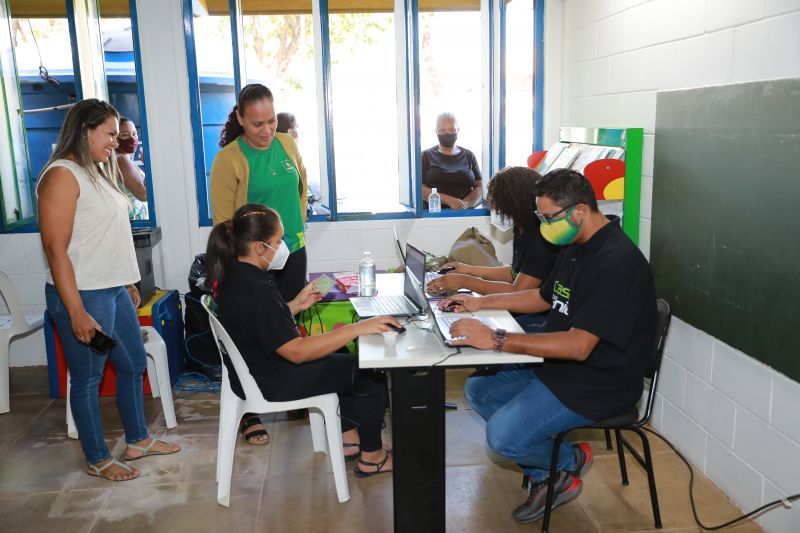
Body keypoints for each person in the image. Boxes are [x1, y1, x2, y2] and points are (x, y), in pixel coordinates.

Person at [438, 168, 657, 523]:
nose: (543, 226)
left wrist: (496, 339)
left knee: (501, 438)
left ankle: (568, 460)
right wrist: (478, 302)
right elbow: (542, 297)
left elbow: (579, 346)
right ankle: (550, 474)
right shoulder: (576, 245)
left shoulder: (617, 265)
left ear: (580, 211)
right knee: (479, 390)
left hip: (599, 384)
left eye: (549, 217)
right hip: (562, 368)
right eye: (540, 216)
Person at [37, 99, 181, 482]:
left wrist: (126, 280)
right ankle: (98, 458)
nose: (116, 142)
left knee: (132, 363)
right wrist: (76, 311)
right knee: (88, 379)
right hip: (83, 295)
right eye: (110, 134)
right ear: (86, 130)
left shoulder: (97, 170)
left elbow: (106, 234)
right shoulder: (62, 175)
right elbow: (55, 249)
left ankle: (138, 440)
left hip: (112, 289)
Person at [207, 204, 396, 477]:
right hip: (275, 380)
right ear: (259, 247)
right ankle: (372, 457)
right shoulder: (255, 289)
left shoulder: (236, 276)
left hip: (258, 371)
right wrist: (357, 328)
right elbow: (296, 352)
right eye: (277, 242)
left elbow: (260, 324)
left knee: (343, 354)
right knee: (369, 370)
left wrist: (296, 304)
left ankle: (349, 439)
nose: (282, 247)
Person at [425, 166, 559, 331]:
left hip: (542, 315)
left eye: (499, 203)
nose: (496, 209)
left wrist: (465, 281)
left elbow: (518, 291)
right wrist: (467, 269)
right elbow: (515, 274)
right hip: (522, 306)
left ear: (516, 203)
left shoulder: (542, 237)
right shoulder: (522, 228)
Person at [210, 83, 309, 304]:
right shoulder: (227, 159)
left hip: (293, 250)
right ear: (240, 118)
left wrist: (299, 220)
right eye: (257, 124)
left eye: (271, 121)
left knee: (292, 316)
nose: (267, 131)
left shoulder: (287, 143)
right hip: (256, 259)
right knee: (264, 321)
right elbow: (223, 223)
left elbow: (302, 184)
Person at [421, 112, 482, 209]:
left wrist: (464, 204)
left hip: (466, 213)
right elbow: (419, 188)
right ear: (436, 131)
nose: (447, 134)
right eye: (442, 130)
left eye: (452, 130)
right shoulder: (425, 156)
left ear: (458, 130)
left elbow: (479, 185)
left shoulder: (469, 155)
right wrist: (450, 201)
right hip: (433, 214)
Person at [116, 116, 148, 220]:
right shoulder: (122, 160)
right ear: (116, 138)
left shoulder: (125, 159)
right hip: (134, 225)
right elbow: (144, 195)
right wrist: (149, 166)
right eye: (125, 135)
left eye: (134, 134)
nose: (132, 138)